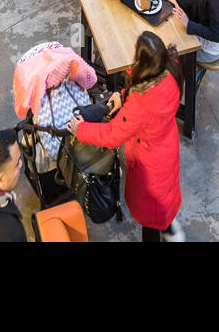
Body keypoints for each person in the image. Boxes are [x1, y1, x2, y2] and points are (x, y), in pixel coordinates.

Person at [68, 32, 183, 243]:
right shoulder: (172, 68)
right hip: (167, 148)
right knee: (164, 199)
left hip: (149, 162)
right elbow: (142, 90)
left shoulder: (142, 103)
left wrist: (80, 129)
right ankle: (171, 231)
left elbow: (112, 135)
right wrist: (123, 96)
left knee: (151, 213)